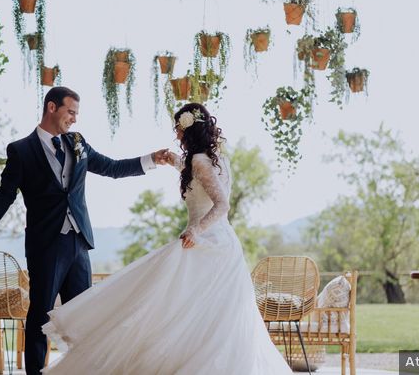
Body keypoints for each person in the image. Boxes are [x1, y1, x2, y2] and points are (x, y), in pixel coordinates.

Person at [40, 103, 295, 374]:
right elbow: (197, 176)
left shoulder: (199, 161)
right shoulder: (212, 159)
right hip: (225, 245)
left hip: (204, 242)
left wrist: (196, 231)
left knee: (165, 305)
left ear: (187, 129)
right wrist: (168, 159)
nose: (176, 134)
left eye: (177, 128)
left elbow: (221, 205)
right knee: (210, 316)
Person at [0, 86, 172, 375]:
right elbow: (5, 195)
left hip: (78, 242)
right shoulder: (21, 150)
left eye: (76, 113)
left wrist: (151, 159)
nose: (74, 119)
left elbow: (111, 168)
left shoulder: (77, 142)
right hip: (46, 244)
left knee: (83, 315)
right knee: (41, 313)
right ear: (52, 108)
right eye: (70, 112)